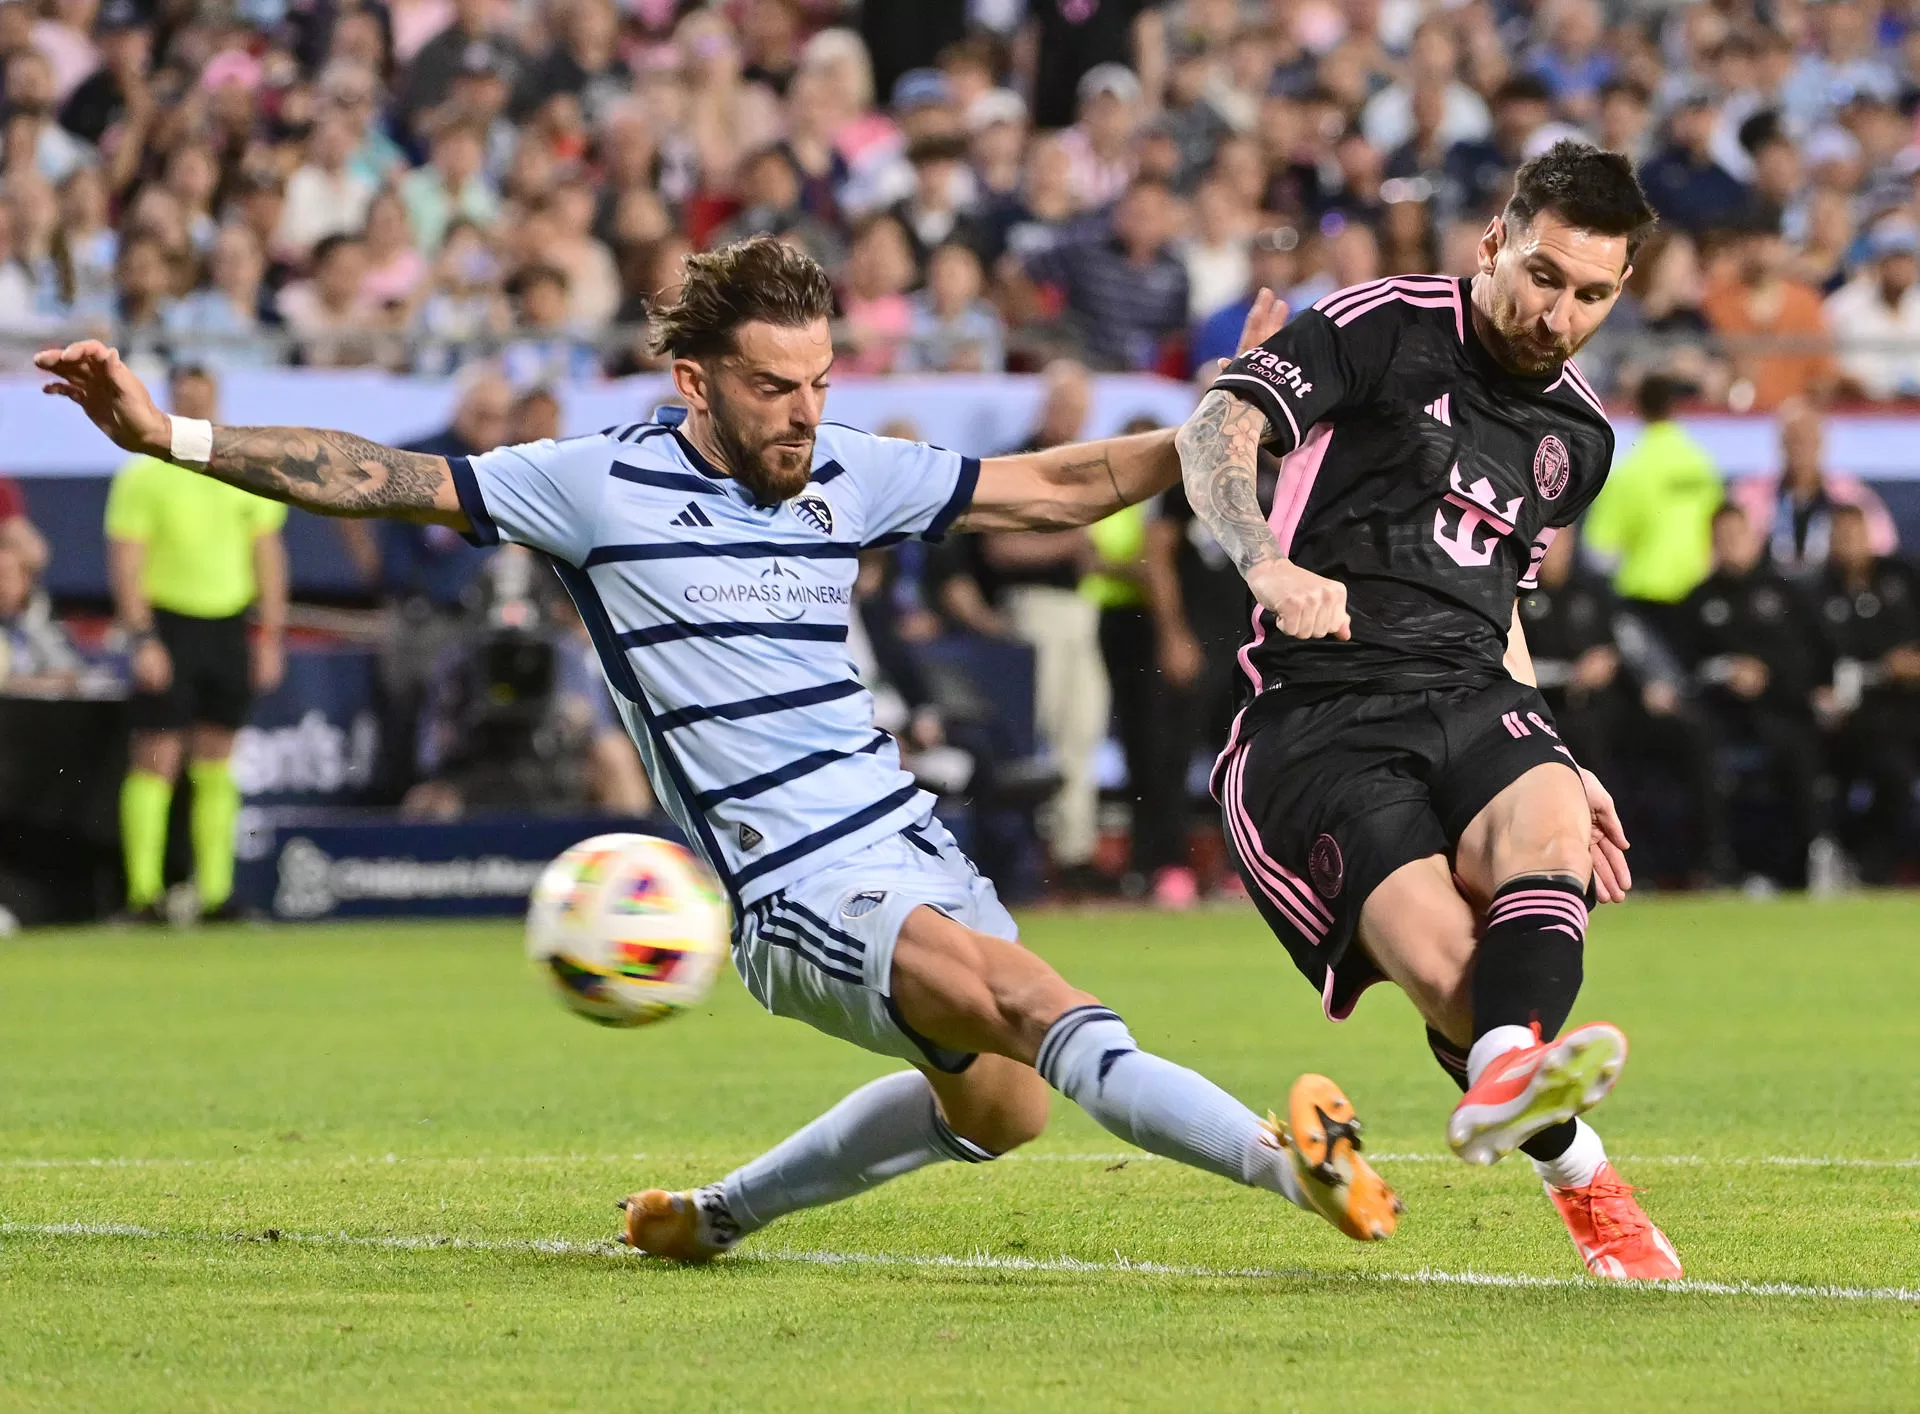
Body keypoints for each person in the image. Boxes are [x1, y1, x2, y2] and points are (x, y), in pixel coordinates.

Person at [38, 236, 1401, 1264]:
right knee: (1035, 999)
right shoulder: (594, 486)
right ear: (693, 380)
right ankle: (1292, 1167)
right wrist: (172, 435)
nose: (803, 413)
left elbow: (1059, 482)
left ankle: (714, 1215)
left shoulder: (847, 468)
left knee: (1002, 1110)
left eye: (819, 384)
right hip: (794, 886)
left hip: (908, 838)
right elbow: (375, 475)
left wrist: (1226, 416)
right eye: (772, 388)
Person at [1174, 142, 1682, 1281]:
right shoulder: (1385, 323)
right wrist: (1264, 560)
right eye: (1543, 276)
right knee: (1457, 981)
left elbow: (1502, 599)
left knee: (1553, 817)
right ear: (1495, 241)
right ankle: (1580, 1171)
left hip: (1471, 688)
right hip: (1322, 714)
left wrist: (1556, 747)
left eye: (1591, 295)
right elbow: (1217, 426)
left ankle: (1506, 1069)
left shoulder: (1579, 439)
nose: (1559, 315)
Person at [102, 366, 287, 923]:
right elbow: (126, 563)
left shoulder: (244, 469)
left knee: (216, 759)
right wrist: (142, 637)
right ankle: (144, 894)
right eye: (184, 398)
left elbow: (267, 555)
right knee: (155, 757)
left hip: (227, 624)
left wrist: (269, 636)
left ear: (217, 399)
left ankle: (215, 893)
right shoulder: (143, 474)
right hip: (169, 623)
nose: (194, 407)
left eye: (201, 398)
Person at [1676, 504, 1830, 891]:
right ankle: (1717, 863)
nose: (1730, 545)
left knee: (1801, 746)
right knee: (1698, 747)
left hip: (1782, 709)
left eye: (1737, 536)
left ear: (1754, 539)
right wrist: (1727, 673)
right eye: (1722, 538)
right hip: (1722, 716)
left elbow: (1811, 659)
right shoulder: (1697, 601)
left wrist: (1766, 674)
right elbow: (1685, 669)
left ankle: (1810, 859)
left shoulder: (1786, 593)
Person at [1814, 504, 1920, 884]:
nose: (1849, 543)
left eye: (1855, 534)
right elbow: (1812, 657)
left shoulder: (1904, 577)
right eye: (1840, 535)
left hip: (1910, 704)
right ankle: (1868, 862)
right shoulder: (1816, 592)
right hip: (1856, 717)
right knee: (1890, 772)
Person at [1730, 404, 1899, 581]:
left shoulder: (1853, 496)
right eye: (1794, 440)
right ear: (1780, 444)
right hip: (1765, 587)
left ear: (1823, 444)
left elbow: (1882, 550)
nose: (1801, 449)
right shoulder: (1749, 494)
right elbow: (1726, 548)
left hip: (1835, 589)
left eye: (1809, 440)